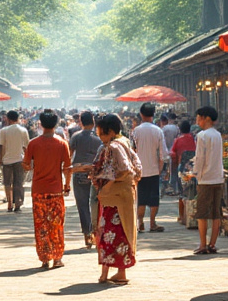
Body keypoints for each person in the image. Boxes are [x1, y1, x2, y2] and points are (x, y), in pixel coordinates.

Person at [90, 114, 141, 285]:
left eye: (102, 134)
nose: (100, 138)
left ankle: (106, 273)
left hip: (114, 198)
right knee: (122, 233)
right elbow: (137, 167)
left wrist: (107, 186)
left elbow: (125, 169)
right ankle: (120, 272)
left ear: (110, 132)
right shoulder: (125, 142)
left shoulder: (113, 146)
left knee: (108, 233)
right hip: (125, 195)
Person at [23, 111, 73, 269]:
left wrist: (30, 163)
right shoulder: (62, 143)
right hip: (56, 190)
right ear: (56, 124)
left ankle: (45, 258)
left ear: (41, 124)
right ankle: (57, 258)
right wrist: (67, 185)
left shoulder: (33, 143)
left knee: (41, 224)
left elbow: (26, 165)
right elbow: (68, 168)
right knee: (56, 224)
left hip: (38, 190)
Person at [192, 105, 225, 255]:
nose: (197, 121)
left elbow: (200, 158)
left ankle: (202, 244)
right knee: (216, 213)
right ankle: (212, 244)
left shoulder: (202, 136)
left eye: (199, 118)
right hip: (218, 177)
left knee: (202, 214)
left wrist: (195, 173)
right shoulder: (218, 135)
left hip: (205, 179)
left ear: (207, 119)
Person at [131, 103, 168, 233]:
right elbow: (163, 154)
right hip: (154, 170)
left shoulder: (136, 131)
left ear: (141, 114)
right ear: (153, 114)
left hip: (139, 171)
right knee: (154, 199)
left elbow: (132, 151)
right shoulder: (158, 131)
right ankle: (152, 223)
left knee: (141, 198)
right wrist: (160, 169)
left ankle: (140, 223)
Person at [69, 112, 103, 249]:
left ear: (81, 122)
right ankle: (96, 232)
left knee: (82, 204)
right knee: (95, 203)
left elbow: (70, 154)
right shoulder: (98, 138)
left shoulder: (75, 136)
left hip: (79, 172)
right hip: (95, 172)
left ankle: (87, 234)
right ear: (93, 122)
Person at [0, 110, 31, 212]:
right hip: (19, 159)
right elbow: (27, 147)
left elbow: (0, 146)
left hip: (6, 161)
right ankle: (18, 203)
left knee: (7, 183)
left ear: (8, 119)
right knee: (18, 182)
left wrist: (0, 160)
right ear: (17, 118)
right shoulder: (23, 130)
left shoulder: (3, 131)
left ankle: (9, 203)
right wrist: (28, 160)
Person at [160, 114, 181, 195]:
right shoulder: (176, 128)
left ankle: (169, 187)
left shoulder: (164, 128)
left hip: (166, 151)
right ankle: (174, 188)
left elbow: (162, 140)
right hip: (174, 151)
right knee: (173, 170)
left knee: (167, 170)